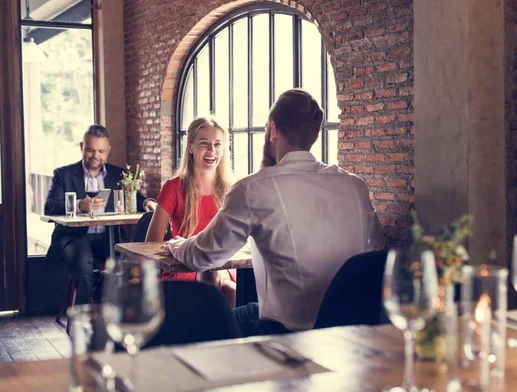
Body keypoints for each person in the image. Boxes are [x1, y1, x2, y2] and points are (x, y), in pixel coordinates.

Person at [165, 89, 385, 337]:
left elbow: (203, 257)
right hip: (352, 329)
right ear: (314, 133)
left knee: (202, 325)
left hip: (289, 332)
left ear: (273, 130)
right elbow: (375, 252)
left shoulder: (252, 188)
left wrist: (177, 244)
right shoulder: (355, 185)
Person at [45, 125, 156, 303]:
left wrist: (147, 202)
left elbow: (137, 198)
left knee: (131, 262)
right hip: (74, 238)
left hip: (109, 237)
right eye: (90, 150)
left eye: (101, 151)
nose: (95, 155)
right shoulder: (63, 175)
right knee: (82, 261)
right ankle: (94, 308)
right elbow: (49, 206)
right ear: (82, 146)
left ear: (108, 151)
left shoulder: (118, 174)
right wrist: (80, 205)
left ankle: (114, 306)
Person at [145, 116, 237, 307]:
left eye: (217, 144)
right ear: (190, 147)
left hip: (223, 266)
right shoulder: (173, 187)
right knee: (214, 279)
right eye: (204, 143)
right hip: (183, 266)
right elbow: (151, 243)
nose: (212, 150)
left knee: (228, 286)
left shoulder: (232, 188)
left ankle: (214, 335)